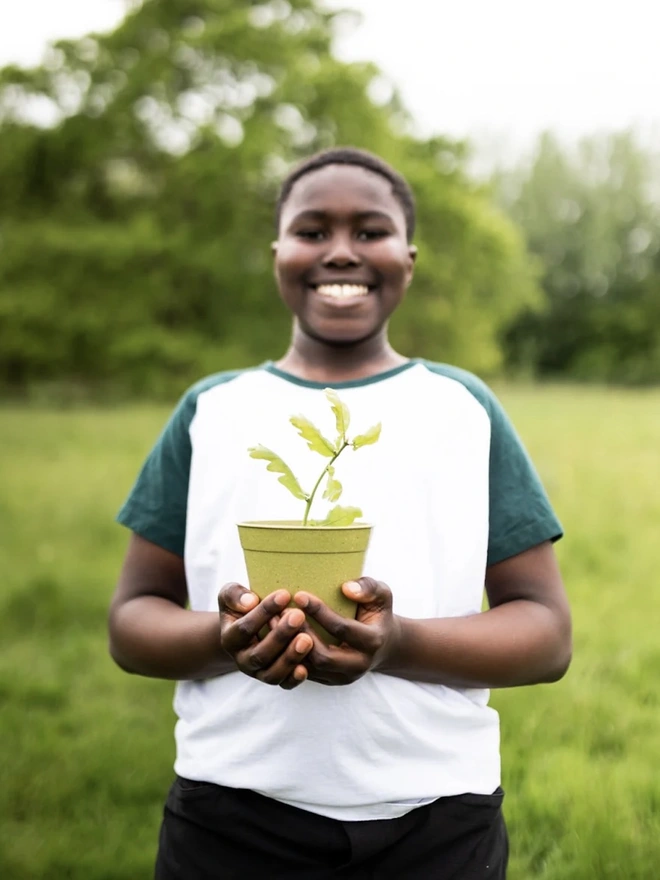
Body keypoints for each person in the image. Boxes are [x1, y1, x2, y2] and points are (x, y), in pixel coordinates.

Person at [109, 147, 572, 879]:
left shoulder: (463, 409)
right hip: (230, 812)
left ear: (410, 258)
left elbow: (546, 635)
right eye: (312, 230)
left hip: (439, 818)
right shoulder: (211, 411)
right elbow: (133, 619)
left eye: (371, 230)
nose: (341, 252)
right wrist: (225, 637)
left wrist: (400, 645)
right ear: (277, 254)